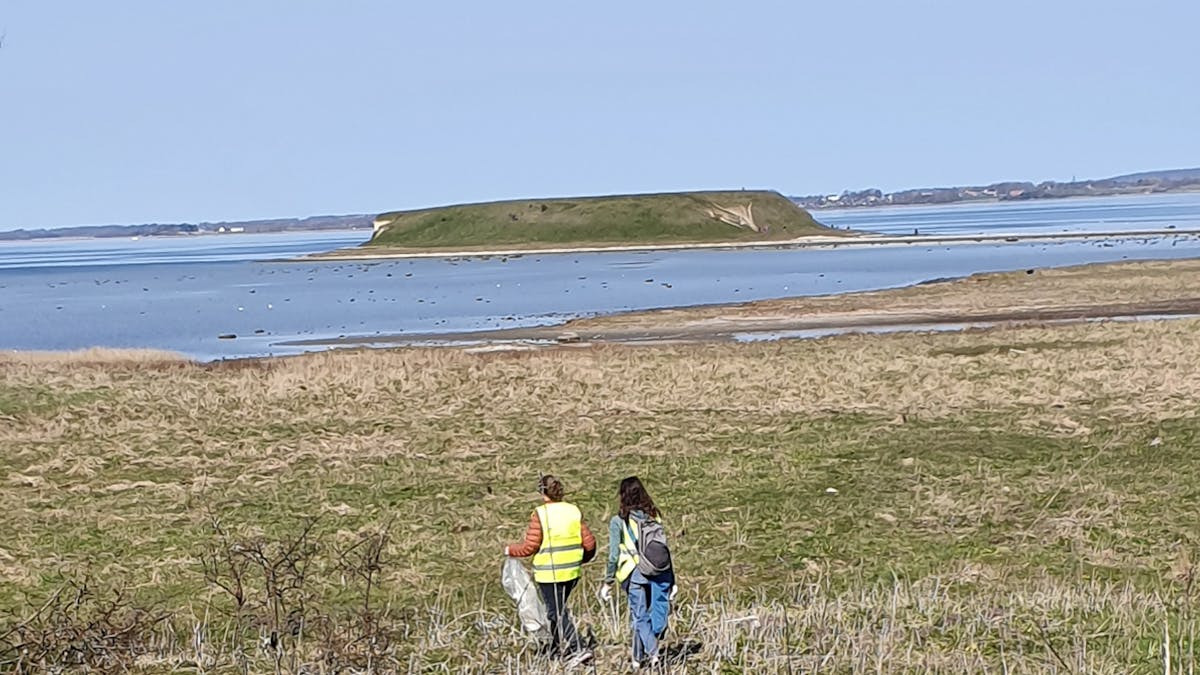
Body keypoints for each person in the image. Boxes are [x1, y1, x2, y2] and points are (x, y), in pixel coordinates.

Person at [504, 474, 596, 664]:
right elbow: (590, 543)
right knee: (554, 610)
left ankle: (577, 647)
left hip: (549, 573)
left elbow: (530, 547)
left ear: (542, 492)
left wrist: (510, 550)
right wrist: (580, 559)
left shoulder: (541, 514)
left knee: (557, 612)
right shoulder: (573, 511)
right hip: (572, 572)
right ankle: (552, 649)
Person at [600, 476, 675, 669]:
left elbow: (613, 555)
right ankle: (636, 658)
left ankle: (653, 653)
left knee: (640, 616)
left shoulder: (618, 521)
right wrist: (672, 579)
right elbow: (664, 549)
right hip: (656, 570)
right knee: (644, 616)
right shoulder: (654, 516)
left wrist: (608, 581)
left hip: (632, 573)